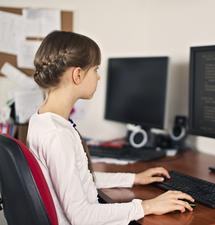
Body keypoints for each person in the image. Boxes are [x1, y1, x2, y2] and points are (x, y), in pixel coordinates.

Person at [27, 30, 194, 225]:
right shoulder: (58, 135)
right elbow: (81, 216)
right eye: (96, 69)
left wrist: (133, 179)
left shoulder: (41, 121)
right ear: (78, 74)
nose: (98, 78)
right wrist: (147, 206)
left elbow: (80, 181)